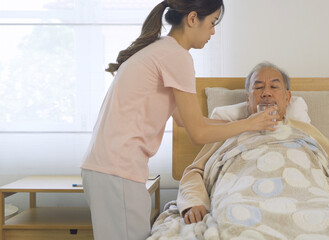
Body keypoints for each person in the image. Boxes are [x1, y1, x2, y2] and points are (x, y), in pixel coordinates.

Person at [80, 1, 280, 239]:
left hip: (105, 167)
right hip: (117, 169)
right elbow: (198, 134)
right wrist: (250, 124)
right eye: (212, 23)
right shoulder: (177, 57)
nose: (213, 32)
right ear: (193, 19)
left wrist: (244, 121)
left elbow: (186, 120)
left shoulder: (161, 50)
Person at [177, 62, 329, 230]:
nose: (266, 93)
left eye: (274, 87)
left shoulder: (307, 131)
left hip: (308, 197)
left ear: (287, 98)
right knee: (232, 216)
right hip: (240, 198)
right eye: (259, 87)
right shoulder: (229, 131)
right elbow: (194, 171)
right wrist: (194, 202)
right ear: (248, 98)